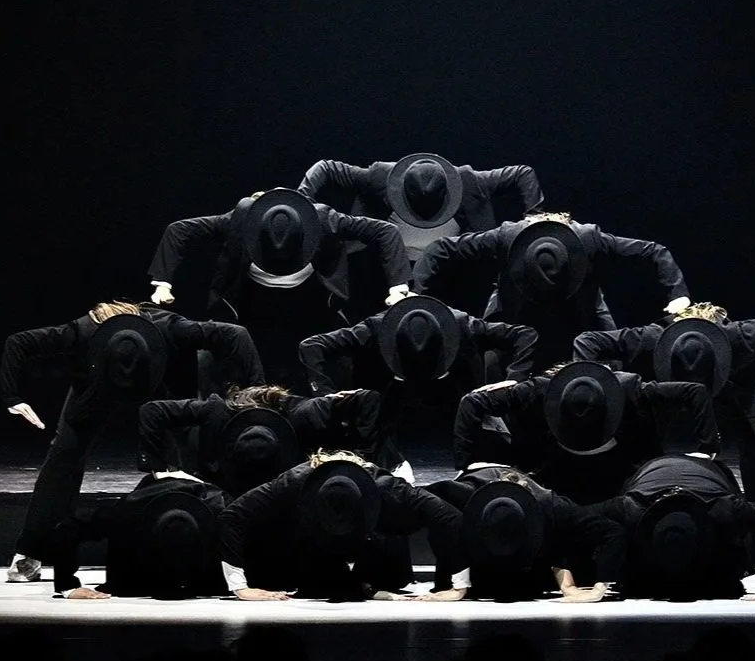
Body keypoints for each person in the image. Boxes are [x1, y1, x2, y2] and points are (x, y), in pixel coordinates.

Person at [1, 300, 265, 583]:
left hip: (152, 380)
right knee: (64, 457)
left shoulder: (169, 327)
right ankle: (30, 551)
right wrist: (12, 398)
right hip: (96, 387)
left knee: (184, 454)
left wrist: (257, 396)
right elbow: (19, 342)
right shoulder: (82, 331)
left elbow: (236, 333)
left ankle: (210, 543)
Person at [572, 302, 755, 515]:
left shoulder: (740, 335)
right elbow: (588, 341)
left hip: (736, 388)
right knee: (645, 446)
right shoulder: (655, 338)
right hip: (674, 384)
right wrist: (598, 387)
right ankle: (639, 516)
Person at [146, 187, 412, 392]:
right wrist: (162, 282)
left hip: (311, 304)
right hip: (250, 305)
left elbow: (384, 231)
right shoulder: (241, 218)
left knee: (340, 356)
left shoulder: (321, 218)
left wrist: (398, 286)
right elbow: (179, 230)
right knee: (210, 356)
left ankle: (341, 433)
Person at [413, 211, 692, 373]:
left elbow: (653, 251)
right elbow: (442, 248)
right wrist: (416, 295)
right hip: (515, 310)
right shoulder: (507, 236)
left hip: (580, 310)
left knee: (613, 364)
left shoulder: (588, 238)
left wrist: (677, 295)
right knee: (491, 365)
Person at [298, 294, 537, 471]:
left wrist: (514, 380)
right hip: (389, 402)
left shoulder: (464, 325)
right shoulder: (375, 329)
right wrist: (324, 396)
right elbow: (311, 346)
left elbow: (524, 334)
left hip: (456, 398)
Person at [452, 360, 720, 505]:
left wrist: (707, 448)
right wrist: (467, 464)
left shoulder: (629, 389)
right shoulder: (537, 390)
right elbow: (472, 402)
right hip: (556, 474)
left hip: (620, 474)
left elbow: (694, 391)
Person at [217, 449, 465, 602]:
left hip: (377, 553)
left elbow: (449, 517)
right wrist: (240, 586)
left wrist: (459, 586)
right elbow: (233, 517)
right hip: (311, 555)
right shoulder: (293, 484)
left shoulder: (387, 488)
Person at [597, 453, 755, 601]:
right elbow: (570, 523)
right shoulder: (630, 508)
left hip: (709, 473)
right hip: (649, 472)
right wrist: (592, 583)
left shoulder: (725, 509)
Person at [422, 465, 627, 603]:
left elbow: (611, 532)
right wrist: (458, 585)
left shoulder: (551, 505)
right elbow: (423, 513)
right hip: (474, 554)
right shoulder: (455, 496)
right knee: (482, 588)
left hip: (529, 560)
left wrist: (599, 587)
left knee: (527, 588)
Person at [137, 383, 387, 494]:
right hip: (225, 484)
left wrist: (360, 460)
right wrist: (158, 468)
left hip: (278, 485)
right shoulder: (217, 411)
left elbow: (368, 399)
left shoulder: (298, 414)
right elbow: (152, 410)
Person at [297, 152, 545, 263]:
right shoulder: (380, 176)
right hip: (382, 266)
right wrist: (299, 202)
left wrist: (537, 220)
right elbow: (327, 167)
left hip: (454, 269)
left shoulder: (467, 181)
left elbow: (522, 173)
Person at [49, 472, 230, 600]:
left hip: (197, 491)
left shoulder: (221, 514)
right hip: (151, 493)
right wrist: (68, 586)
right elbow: (68, 527)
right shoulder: (128, 514)